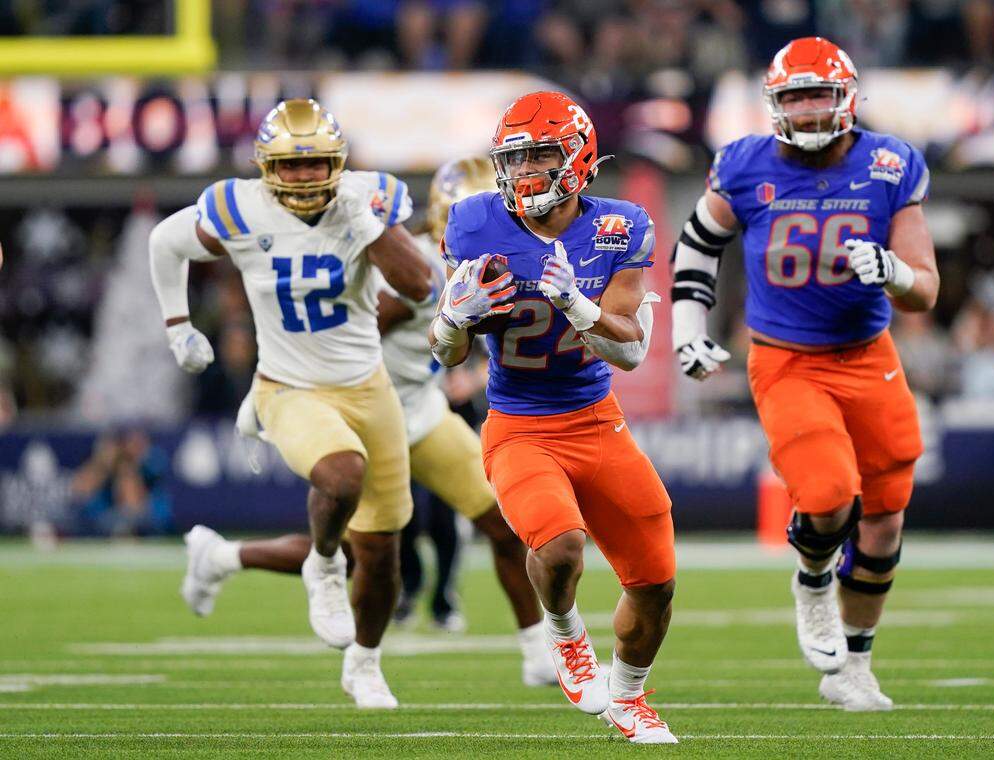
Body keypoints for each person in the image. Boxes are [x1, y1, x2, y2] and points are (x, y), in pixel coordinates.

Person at [180, 157, 557, 688]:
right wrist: (279, 385)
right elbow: (341, 338)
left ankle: (536, 650)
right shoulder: (416, 271)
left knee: (505, 518)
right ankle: (223, 557)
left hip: (423, 413)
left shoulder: (488, 264)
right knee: (363, 557)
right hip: (370, 417)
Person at [671, 36, 939, 711]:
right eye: (797, 96)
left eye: (821, 94)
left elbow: (927, 290)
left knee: (884, 517)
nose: (811, 109)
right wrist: (687, 329)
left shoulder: (888, 163)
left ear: (847, 98)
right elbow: (699, 244)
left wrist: (895, 272)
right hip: (788, 359)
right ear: (775, 104)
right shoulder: (745, 165)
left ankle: (853, 666)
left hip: (868, 354)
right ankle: (813, 576)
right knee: (826, 495)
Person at [149, 98, 431, 709]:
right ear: (265, 165)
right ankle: (323, 565)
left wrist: (366, 222)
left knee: (383, 556)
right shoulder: (240, 207)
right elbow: (165, 242)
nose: (304, 178)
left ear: (340, 162)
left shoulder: (366, 200)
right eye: (291, 166)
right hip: (287, 385)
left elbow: (418, 285)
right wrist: (179, 326)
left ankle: (365, 662)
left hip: (368, 386)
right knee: (341, 472)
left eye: (318, 165)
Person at [428, 91, 678, 744]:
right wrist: (454, 318)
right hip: (519, 426)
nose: (527, 170)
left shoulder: (618, 225)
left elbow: (628, 350)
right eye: (516, 158)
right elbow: (448, 351)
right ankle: (565, 637)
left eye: (542, 153)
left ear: (580, 158)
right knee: (560, 544)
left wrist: (580, 305)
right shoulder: (473, 222)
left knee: (655, 580)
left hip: (597, 420)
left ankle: (627, 697)